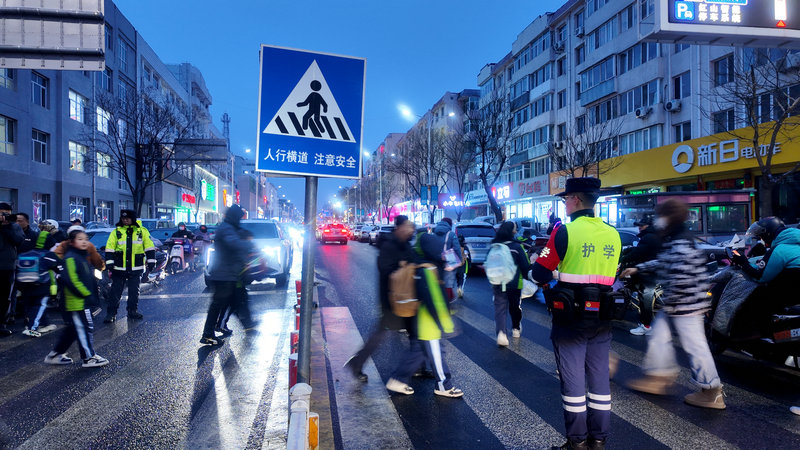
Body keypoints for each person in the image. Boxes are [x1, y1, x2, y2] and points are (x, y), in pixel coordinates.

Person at [529, 178, 621, 450]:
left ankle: (577, 441)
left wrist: (556, 274)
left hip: (570, 319)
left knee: (572, 381)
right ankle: (599, 439)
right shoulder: (613, 234)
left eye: (566, 199)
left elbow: (539, 272)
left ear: (576, 200)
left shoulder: (564, 232)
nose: (565, 203)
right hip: (602, 317)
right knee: (599, 378)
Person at [623, 199, 725, 410]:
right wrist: (639, 268)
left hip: (684, 305)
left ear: (669, 217)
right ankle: (659, 377)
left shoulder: (680, 243)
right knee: (659, 337)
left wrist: (672, 304)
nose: (657, 221)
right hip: (680, 303)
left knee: (695, 346)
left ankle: (712, 390)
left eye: (660, 216)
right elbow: (665, 261)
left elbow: (681, 277)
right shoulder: (677, 239)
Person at [385, 226, 463, 398]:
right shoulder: (428, 270)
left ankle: (398, 380)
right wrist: (445, 322)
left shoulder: (418, 263)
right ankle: (443, 385)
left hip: (418, 318)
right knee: (436, 353)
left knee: (418, 351)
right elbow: (434, 299)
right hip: (428, 323)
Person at [345, 215, 418, 382]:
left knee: (415, 334)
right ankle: (357, 363)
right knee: (380, 335)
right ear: (399, 227)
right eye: (407, 227)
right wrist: (403, 266)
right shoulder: (389, 246)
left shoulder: (404, 244)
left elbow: (414, 260)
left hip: (406, 298)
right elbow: (386, 270)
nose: (410, 230)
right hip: (392, 299)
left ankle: (417, 365)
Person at [44, 229, 108, 368]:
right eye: (80, 239)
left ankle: (55, 355)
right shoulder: (71, 258)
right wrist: (85, 293)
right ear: (72, 242)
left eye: (85, 239)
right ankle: (89, 357)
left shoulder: (81, 256)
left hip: (80, 300)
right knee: (84, 328)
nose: (84, 242)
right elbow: (71, 280)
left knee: (74, 329)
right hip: (76, 302)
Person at [201, 204, 256, 345]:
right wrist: (249, 244)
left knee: (237, 300)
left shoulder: (231, 227)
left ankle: (247, 325)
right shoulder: (227, 228)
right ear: (234, 216)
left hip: (229, 274)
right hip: (223, 275)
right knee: (219, 304)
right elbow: (234, 244)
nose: (240, 220)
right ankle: (208, 334)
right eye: (239, 217)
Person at [104, 210, 157, 322]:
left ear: (133, 219)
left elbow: (149, 247)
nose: (125, 220)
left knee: (134, 292)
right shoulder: (116, 232)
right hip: (119, 268)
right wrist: (109, 263)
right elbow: (109, 248)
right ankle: (111, 314)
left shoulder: (142, 231)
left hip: (136, 268)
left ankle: (132, 312)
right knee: (115, 293)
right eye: (123, 218)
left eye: (127, 218)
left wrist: (151, 261)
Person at [14, 213, 58, 337]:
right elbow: (58, 267)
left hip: (24, 282)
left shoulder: (27, 252)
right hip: (41, 284)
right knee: (40, 305)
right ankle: (32, 327)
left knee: (30, 305)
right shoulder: (47, 254)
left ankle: (42, 323)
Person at [619, 215, 661, 336]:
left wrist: (623, 258)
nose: (639, 228)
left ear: (649, 226)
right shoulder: (655, 236)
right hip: (653, 271)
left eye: (642, 225)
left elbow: (638, 253)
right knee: (635, 289)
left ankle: (646, 326)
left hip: (648, 273)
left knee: (645, 298)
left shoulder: (648, 237)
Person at [491, 221, 532, 346]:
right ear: (513, 232)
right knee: (515, 307)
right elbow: (525, 266)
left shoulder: (495, 245)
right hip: (514, 283)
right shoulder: (517, 247)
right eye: (515, 229)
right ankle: (516, 328)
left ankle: (501, 334)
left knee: (500, 309)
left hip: (497, 282)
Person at [0, 203, 24, 336]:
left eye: (7, 214)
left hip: (7, 267)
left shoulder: (14, 226)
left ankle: (2, 324)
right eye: (2, 214)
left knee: (5, 297)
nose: (4, 216)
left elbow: (18, 241)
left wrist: (7, 227)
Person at [431, 217, 462, 302]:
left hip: (437, 259)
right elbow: (457, 248)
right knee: (449, 280)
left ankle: (438, 298)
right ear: (450, 224)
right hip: (449, 258)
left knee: (438, 279)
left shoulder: (433, 233)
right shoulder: (451, 234)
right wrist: (460, 260)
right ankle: (447, 299)